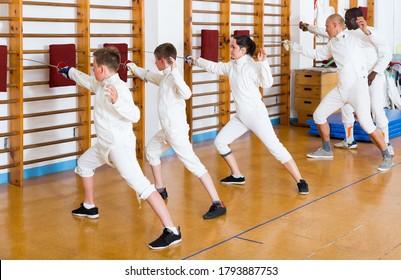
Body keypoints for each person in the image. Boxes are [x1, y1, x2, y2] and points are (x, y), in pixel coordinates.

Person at [58, 47, 181, 250]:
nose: (92, 69)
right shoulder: (99, 83)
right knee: (84, 164)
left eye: (94, 66)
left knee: (142, 186)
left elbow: (135, 115)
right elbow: (85, 80)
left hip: (120, 147)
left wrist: (116, 101)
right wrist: (68, 71)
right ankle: (89, 206)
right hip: (105, 144)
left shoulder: (119, 88)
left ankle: (171, 231)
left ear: (103, 69)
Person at [186, 35, 309, 195]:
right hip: (241, 118)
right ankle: (236, 175)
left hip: (257, 116)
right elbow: (215, 67)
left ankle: (300, 180)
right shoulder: (232, 66)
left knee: (276, 148)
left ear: (243, 50)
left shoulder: (252, 66)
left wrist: (264, 62)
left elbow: (267, 83)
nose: (230, 50)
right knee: (220, 142)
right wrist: (195, 60)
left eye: (233, 47)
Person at [125, 43, 227, 219]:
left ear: (162, 60)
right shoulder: (164, 77)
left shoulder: (174, 77)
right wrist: (132, 67)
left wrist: (175, 72)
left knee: (194, 166)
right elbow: (148, 75)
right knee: (151, 151)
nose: (154, 63)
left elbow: (187, 94)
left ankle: (218, 203)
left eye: (156, 60)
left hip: (177, 133)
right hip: (166, 131)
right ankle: (160, 189)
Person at [283, 14, 394, 171]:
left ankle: (387, 157)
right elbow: (317, 54)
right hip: (341, 89)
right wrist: (295, 46)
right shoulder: (332, 43)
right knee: (318, 115)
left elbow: (379, 43)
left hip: (358, 88)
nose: (326, 29)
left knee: (367, 124)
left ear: (335, 25)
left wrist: (367, 31)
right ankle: (326, 149)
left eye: (327, 26)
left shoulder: (356, 36)